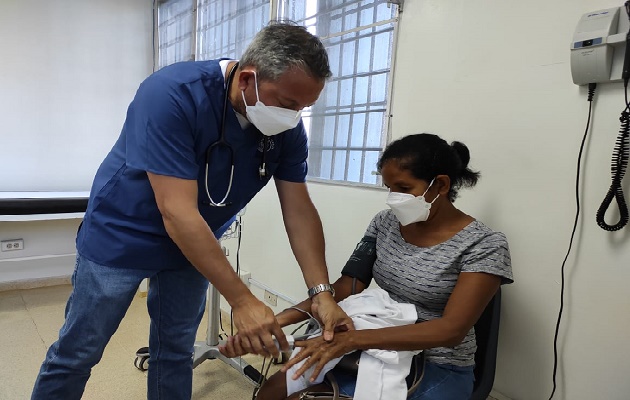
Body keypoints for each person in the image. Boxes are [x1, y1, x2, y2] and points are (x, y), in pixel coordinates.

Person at [31, 22, 353, 400]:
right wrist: (243, 300)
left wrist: (321, 293)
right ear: (247, 78)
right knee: (78, 352)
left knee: (175, 352)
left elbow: (298, 210)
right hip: (123, 236)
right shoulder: (172, 93)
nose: (294, 116)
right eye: (288, 103)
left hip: (196, 247)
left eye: (303, 108)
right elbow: (177, 213)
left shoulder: (285, 131)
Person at [221, 133, 514, 400]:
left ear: (441, 185)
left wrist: (350, 341)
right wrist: (278, 321)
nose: (393, 198)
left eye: (403, 188)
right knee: (274, 391)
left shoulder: (484, 245)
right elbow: (347, 286)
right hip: (372, 338)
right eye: (389, 188)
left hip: (438, 362)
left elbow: (451, 331)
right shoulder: (385, 223)